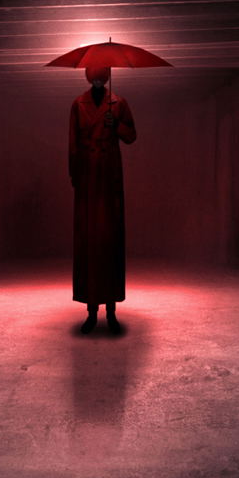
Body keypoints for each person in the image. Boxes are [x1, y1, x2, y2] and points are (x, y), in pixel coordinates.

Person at [68, 65, 136, 333]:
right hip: (87, 176)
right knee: (88, 240)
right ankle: (91, 310)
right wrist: (75, 175)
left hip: (109, 175)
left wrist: (115, 124)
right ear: (88, 77)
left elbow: (131, 135)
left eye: (101, 75)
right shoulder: (77, 104)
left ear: (106, 78)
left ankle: (111, 310)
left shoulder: (119, 103)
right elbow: (72, 142)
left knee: (111, 239)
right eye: (92, 75)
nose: (97, 79)